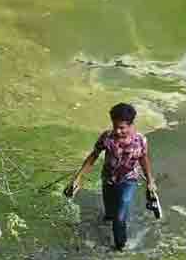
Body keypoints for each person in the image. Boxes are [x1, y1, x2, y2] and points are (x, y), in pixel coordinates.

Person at [66, 103, 157, 251]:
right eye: (115, 126)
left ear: (130, 125)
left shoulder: (140, 140)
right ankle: (108, 227)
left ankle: (120, 248)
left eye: (122, 128)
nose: (117, 130)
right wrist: (78, 177)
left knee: (119, 218)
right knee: (109, 215)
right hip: (108, 180)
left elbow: (143, 159)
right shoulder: (107, 137)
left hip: (129, 180)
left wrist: (150, 181)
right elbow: (93, 156)